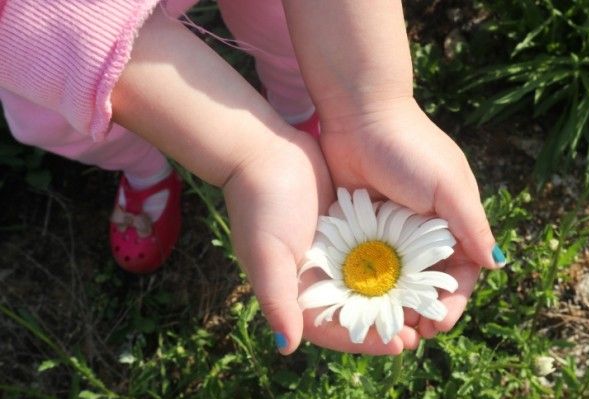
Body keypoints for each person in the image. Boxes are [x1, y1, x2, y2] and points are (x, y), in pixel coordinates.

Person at [0, 0, 502, 356]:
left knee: (285, 30)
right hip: (43, 28)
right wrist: (249, 157)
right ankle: (144, 164)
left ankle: (299, 111)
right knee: (73, 117)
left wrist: (367, 105)